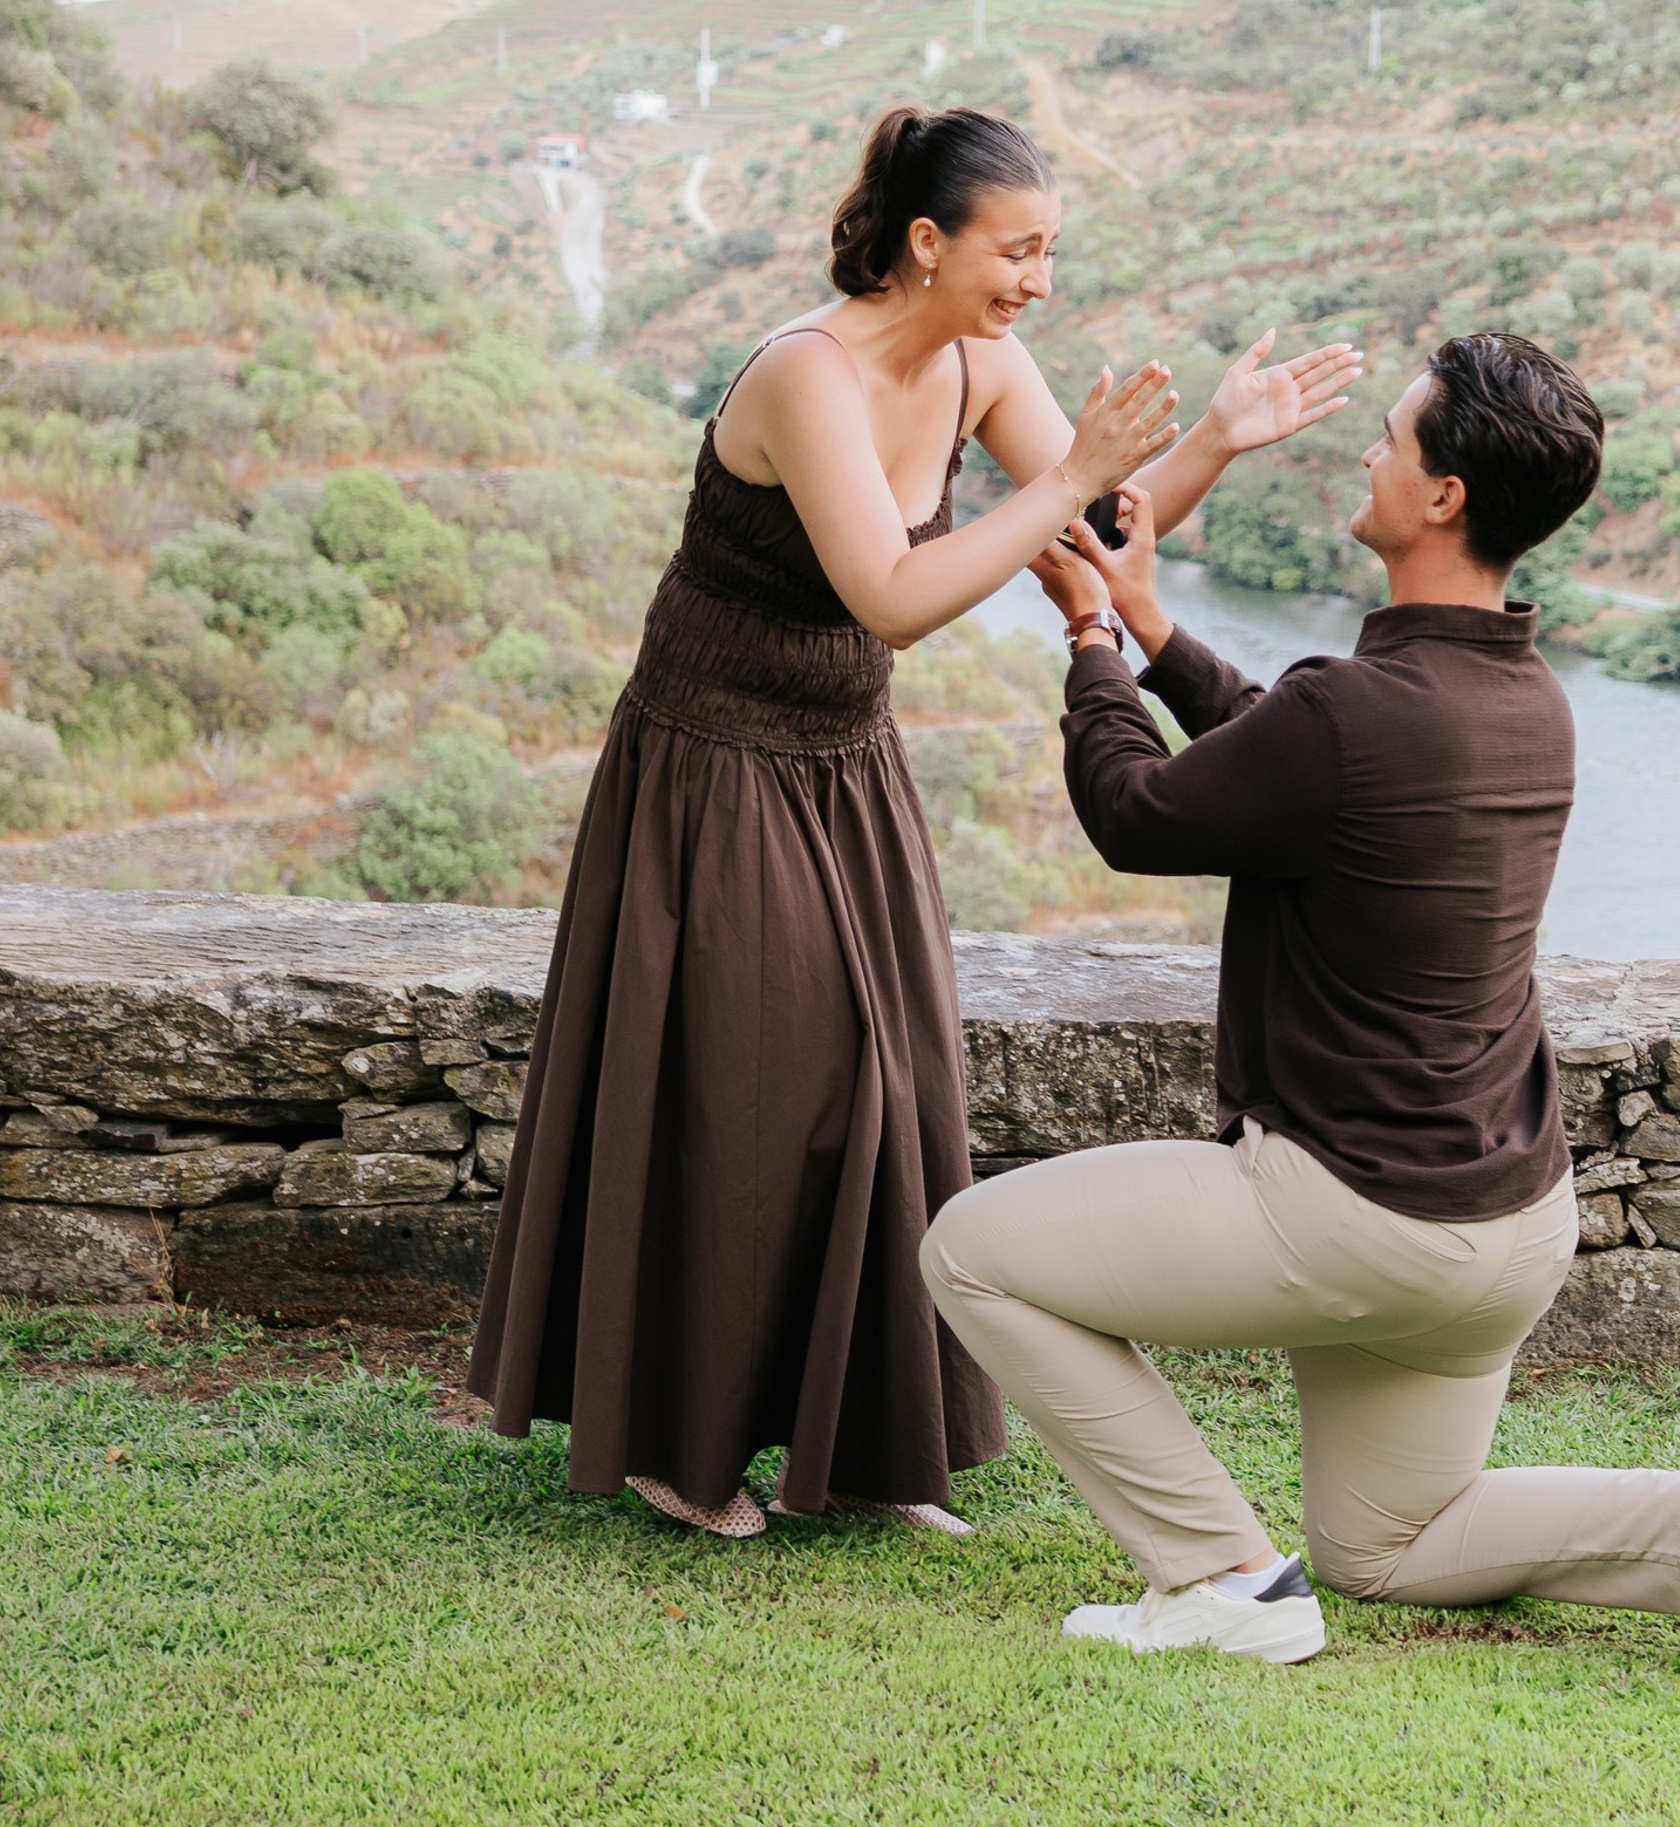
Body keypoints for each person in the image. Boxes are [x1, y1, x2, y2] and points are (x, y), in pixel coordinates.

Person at [470, 104, 1358, 1541]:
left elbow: (1091, 538)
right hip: (717, 761)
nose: (1039, 285)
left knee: (896, 1085)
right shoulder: (802, 377)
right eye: (1021, 252)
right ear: (929, 241)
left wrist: (1214, 443)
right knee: (755, 1100)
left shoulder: (981, 363)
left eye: (1053, 255)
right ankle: (680, 1449)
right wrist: (1068, 484)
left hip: (845, 753)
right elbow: (893, 591)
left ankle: (868, 1446)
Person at [921, 330, 1680, 1670]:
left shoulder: (1359, 713)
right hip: (1507, 1227)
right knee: (1386, 1543)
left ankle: (1223, 1577)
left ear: (1445, 494)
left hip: (1355, 1216)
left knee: (971, 1251)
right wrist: (1160, 633)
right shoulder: (1529, 703)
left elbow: (1141, 812)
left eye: (1392, 438)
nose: (1369, 451)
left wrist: (1094, 637)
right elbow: (1299, 751)